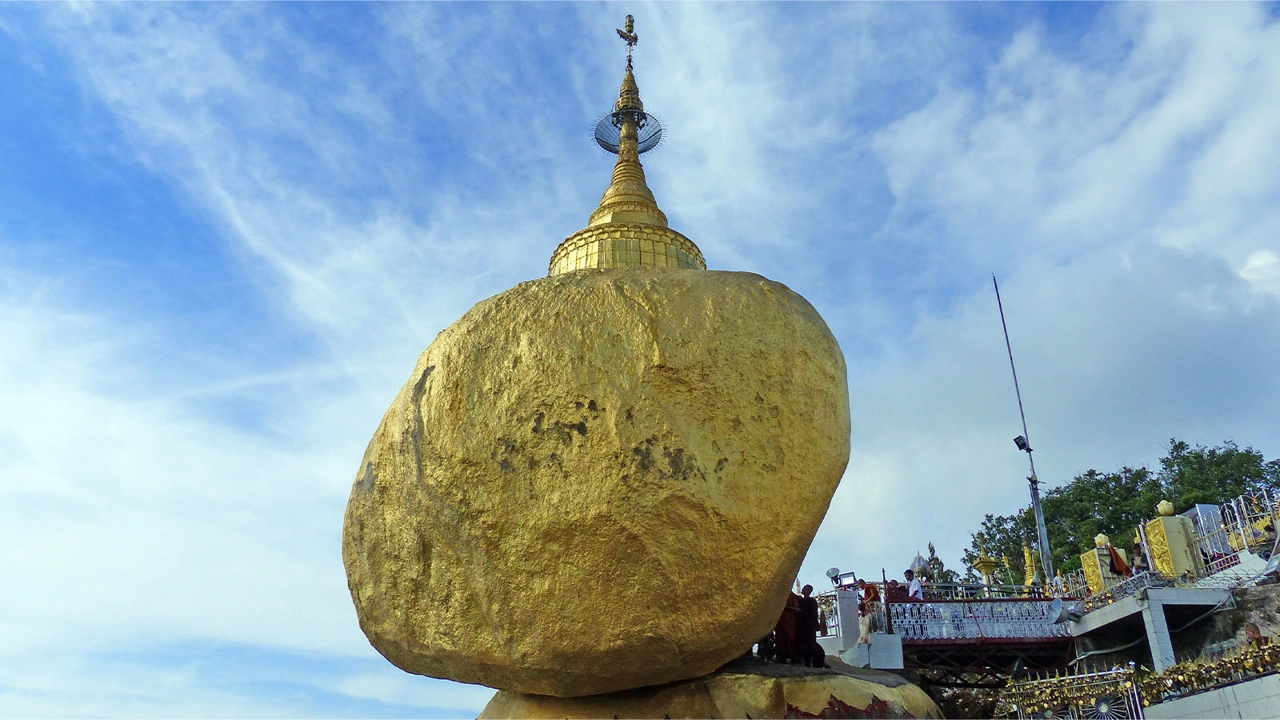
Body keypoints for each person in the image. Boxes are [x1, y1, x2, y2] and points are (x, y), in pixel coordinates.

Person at [796, 584, 827, 667]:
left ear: (808, 591)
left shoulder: (811, 601)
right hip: (804, 626)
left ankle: (813, 661)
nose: (803, 589)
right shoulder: (802, 600)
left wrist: (799, 611)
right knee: (807, 643)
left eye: (805, 588)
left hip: (808, 626)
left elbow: (812, 614)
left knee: (809, 644)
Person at [771, 591, 800, 663]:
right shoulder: (782, 596)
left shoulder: (793, 597)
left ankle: (789, 655)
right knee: (782, 638)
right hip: (783, 620)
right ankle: (781, 656)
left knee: (789, 638)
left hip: (790, 621)